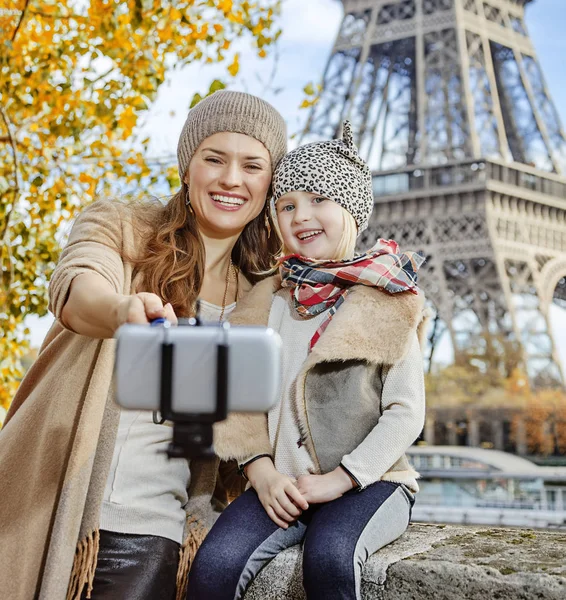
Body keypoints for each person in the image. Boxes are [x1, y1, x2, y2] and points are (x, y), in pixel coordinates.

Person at [0, 90, 287, 600]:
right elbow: (76, 284)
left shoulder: (265, 297)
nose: (231, 179)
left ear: (271, 182)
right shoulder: (123, 227)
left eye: (252, 165)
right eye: (214, 158)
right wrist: (122, 312)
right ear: (186, 165)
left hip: (152, 529)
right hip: (53, 504)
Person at [187, 121, 428, 600]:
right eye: (287, 205)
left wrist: (342, 479)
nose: (302, 215)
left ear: (352, 211)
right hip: (283, 484)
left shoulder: (387, 299)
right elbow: (236, 399)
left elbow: (405, 412)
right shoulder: (264, 303)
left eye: (320, 199)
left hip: (370, 482)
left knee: (331, 558)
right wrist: (262, 472)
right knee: (212, 566)